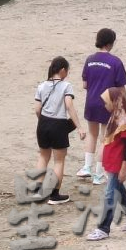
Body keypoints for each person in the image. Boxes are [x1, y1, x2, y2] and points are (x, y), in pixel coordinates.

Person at [85, 87, 126, 240]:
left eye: (106, 102)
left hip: (118, 163)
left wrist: (124, 167)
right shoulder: (115, 116)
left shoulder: (122, 120)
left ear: (114, 101)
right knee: (120, 193)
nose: (105, 105)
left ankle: (103, 228)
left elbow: (125, 146)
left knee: (110, 195)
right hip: (112, 161)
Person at [77, 28, 126, 186]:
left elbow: (85, 84)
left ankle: (87, 166)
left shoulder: (89, 59)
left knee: (92, 135)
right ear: (111, 43)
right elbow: (121, 88)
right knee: (104, 138)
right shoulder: (115, 62)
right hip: (107, 104)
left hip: (91, 102)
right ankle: (99, 174)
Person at [34, 56, 86, 205]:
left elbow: (37, 109)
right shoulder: (66, 86)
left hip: (43, 123)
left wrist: (43, 121)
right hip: (58, 124)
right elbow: (69, 106)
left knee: (43, 157)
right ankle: (54, 195)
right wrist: (80, 127)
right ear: (63, 70)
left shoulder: (42, 86)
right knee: (58, 161)